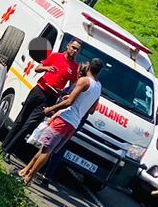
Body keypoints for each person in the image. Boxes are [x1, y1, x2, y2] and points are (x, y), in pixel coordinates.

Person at [17, 58, 104, 186]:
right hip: (74, 124)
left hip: (65, 119)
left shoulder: (84, 81)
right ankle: (25, 171)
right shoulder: (99, 86)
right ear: (99, 71)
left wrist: (50, 109)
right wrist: (76, 99)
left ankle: (28, 178)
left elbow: (69, 103)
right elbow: (91, 110)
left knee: (46, 150)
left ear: (89, 66)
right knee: (46, 148)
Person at [2, 38, 83, 158]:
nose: (74, 51)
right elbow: (38, 68)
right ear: (68, 46)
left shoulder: (74, 67)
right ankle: (3, 146)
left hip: (50, 97)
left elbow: (72, 86)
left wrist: (64, 92)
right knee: (21, 119)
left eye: (77, 50)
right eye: (73, 47)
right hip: (39, 90)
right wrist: (47, 68)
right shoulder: (55, 56)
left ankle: (9, 151)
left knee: (29, 125)